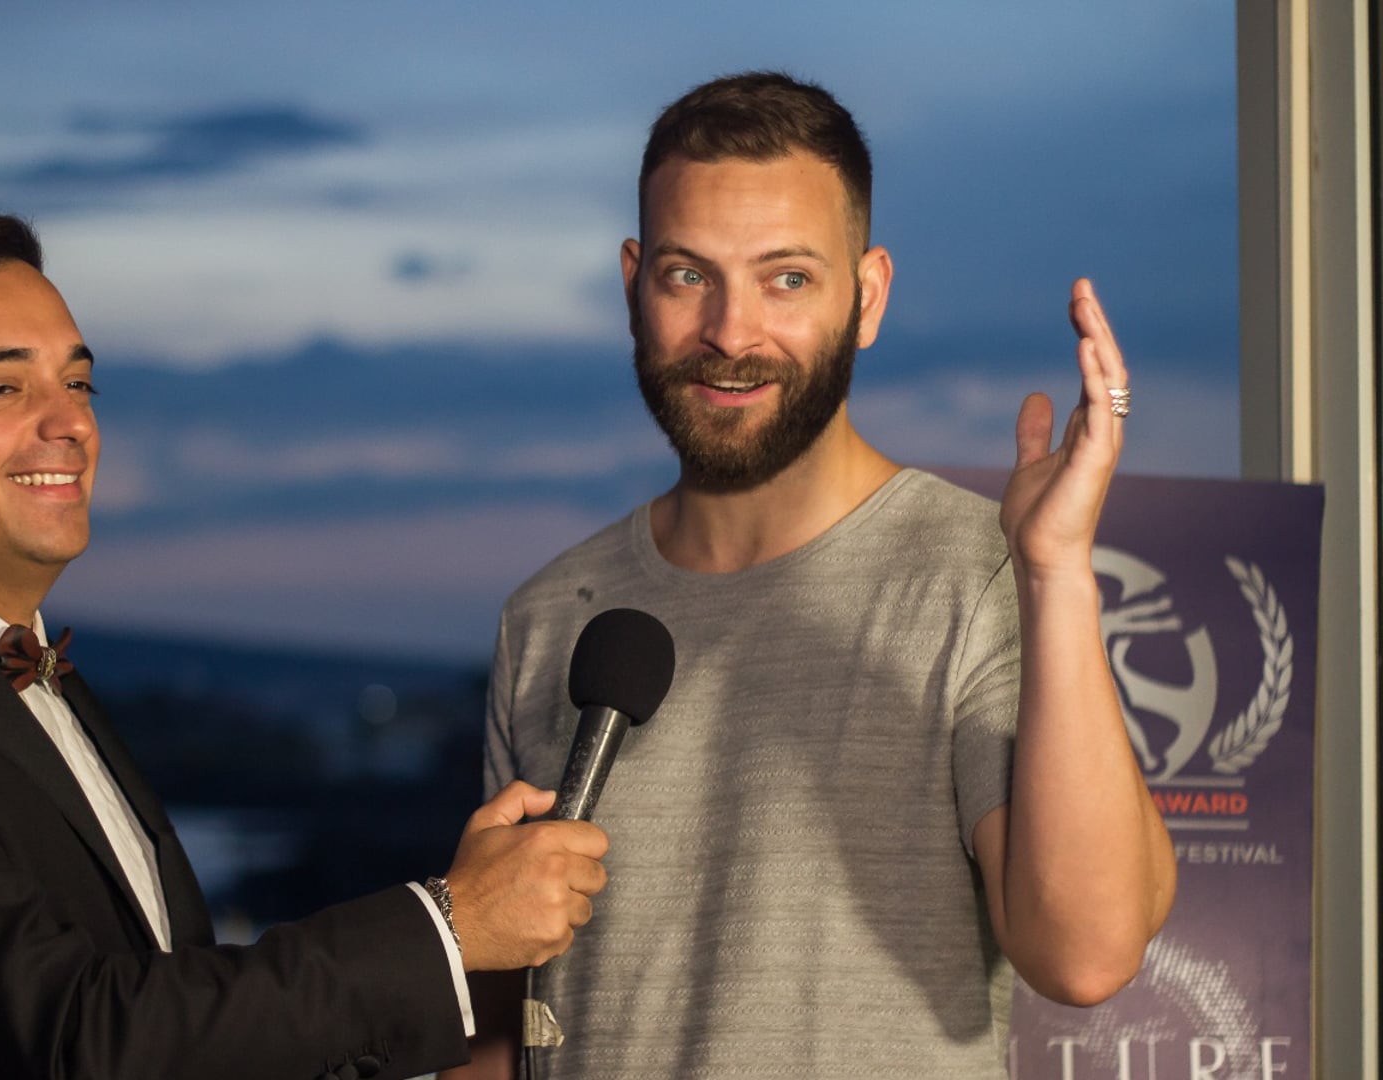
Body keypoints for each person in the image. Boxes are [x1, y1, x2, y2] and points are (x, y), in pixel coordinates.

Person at [0, 209, 610, 1080]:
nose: (70, 424)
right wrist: (448, 929)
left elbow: (188, 1031)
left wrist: (467, 944)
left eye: (77, 382)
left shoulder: (39, 683)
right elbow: (83, 1038)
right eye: (1, 387)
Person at [460, 72, 1176, 1078]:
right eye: (686, 276)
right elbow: (502, 1020)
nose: (732, 333)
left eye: (786, 278)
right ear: (633, 285)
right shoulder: (546, 618)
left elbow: (1088, 953)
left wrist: (1055, 576)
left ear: (867, 296)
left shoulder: (980, 576)